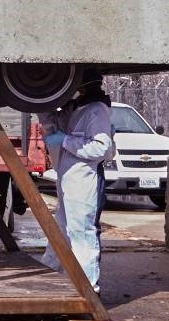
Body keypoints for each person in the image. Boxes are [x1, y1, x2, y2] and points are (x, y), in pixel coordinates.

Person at [38, 69, 113, 293]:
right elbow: (57, 125)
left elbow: (102, 148)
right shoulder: (79, 107)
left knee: (82, 233)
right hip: (69, 178)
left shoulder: (96, 110)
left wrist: (66, 140)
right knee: (62, 228)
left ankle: (88, 288)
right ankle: (52, 270)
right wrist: (43, 110)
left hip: (83, 180)